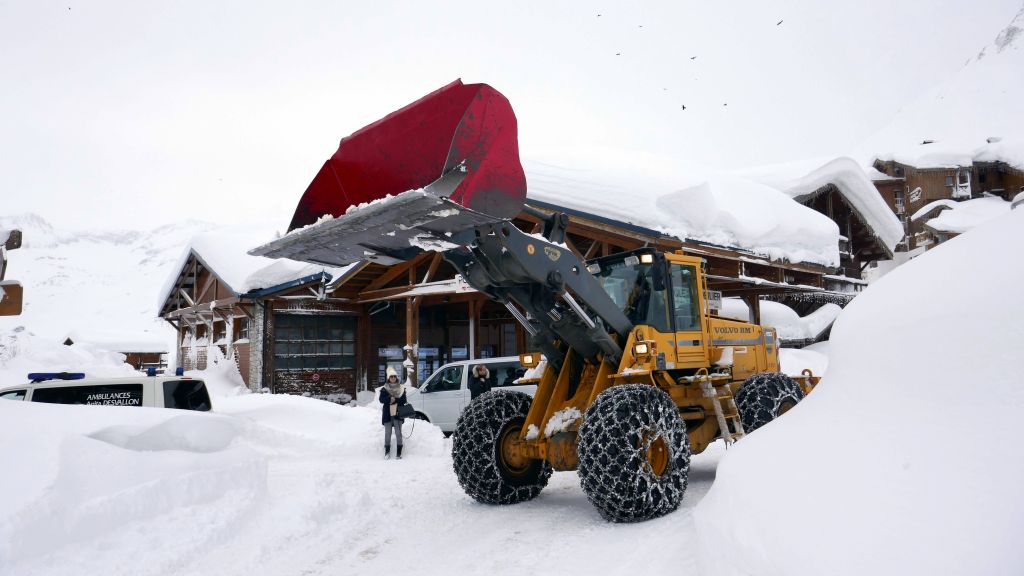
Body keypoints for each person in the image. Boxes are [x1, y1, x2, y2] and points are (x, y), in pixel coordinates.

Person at [379, 367, 407, 459]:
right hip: (387, 413)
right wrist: (389, 399)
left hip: (398, 413)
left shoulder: (401, 388)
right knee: (388, 433)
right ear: (388, 378)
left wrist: (395, 400)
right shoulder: (384, 388)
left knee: (398, 433)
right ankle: (387, 451)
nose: (393, 378)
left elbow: (404, 399)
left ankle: (399, 452)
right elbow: (381, 399)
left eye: (394, 376)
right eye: (391, 376)